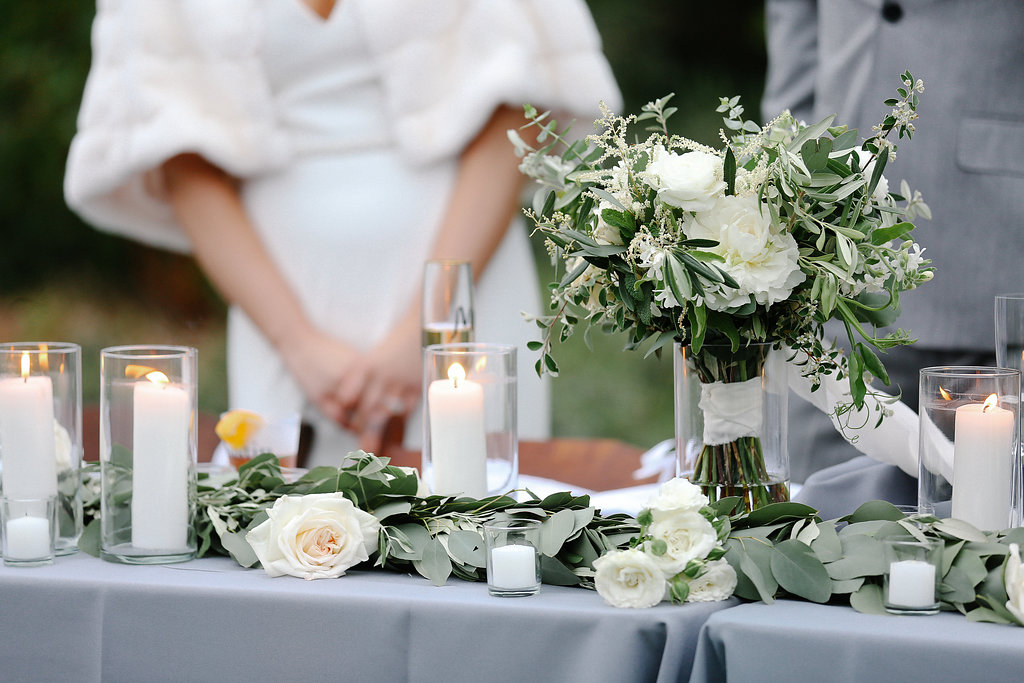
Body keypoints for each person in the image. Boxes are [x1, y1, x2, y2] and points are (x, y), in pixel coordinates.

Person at [65, 0, 621, 467]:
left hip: (466, 300)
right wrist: (299, 346)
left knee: (484, 531)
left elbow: (519, 112)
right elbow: (177, 153)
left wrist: (426, 335)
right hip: (279, 310)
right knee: (293, 550)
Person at [762, 0, 1024, 496]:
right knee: (807, 520)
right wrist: (781, 165)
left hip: (988, 237)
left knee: (980, 529)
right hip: (822, 260)